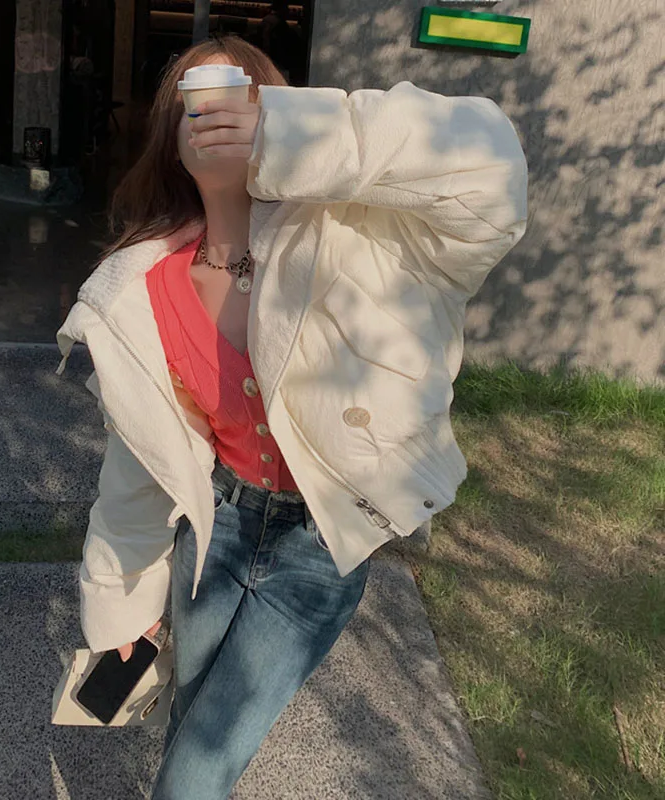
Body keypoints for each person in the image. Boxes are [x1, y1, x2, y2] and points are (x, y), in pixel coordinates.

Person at [55, 33, 527, 799]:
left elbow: (488, 159)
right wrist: (123, 610)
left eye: (237, 97)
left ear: (273, 108)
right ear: (170, 135)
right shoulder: (145, 288)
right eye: (193, 99)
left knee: (197, 770)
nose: (214, 114)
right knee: (187, 732)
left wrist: (297, 135)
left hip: (317, 547)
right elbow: (137, 470)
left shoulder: (364, 240)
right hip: (216, 532)